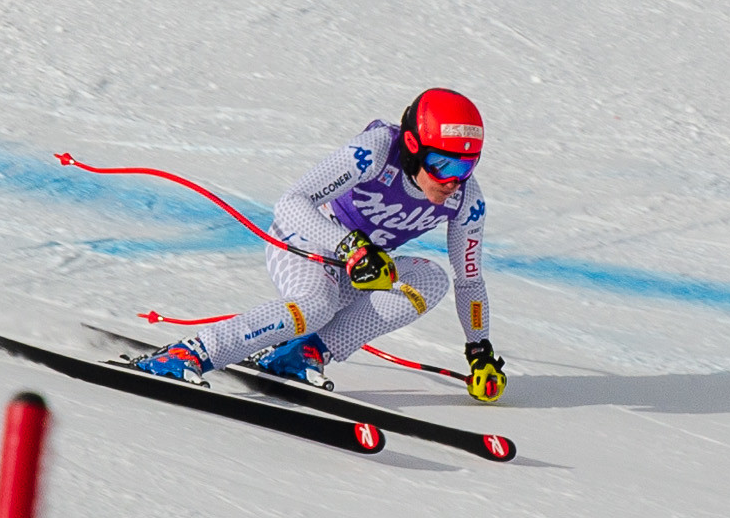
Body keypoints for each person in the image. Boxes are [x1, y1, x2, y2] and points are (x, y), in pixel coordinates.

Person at [130, 88, 505, 402]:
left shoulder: (467, 201)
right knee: (315, 305)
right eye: (443, 164)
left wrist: (479, 349)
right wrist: (351, 248)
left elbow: (469, 281)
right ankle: (187, 353)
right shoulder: (376, 150)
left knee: (431, 279)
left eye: (466, 166)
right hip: (304, 242)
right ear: (412, 146)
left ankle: (303, 353)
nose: (453, 181)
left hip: (356, 266)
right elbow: (291, 203)